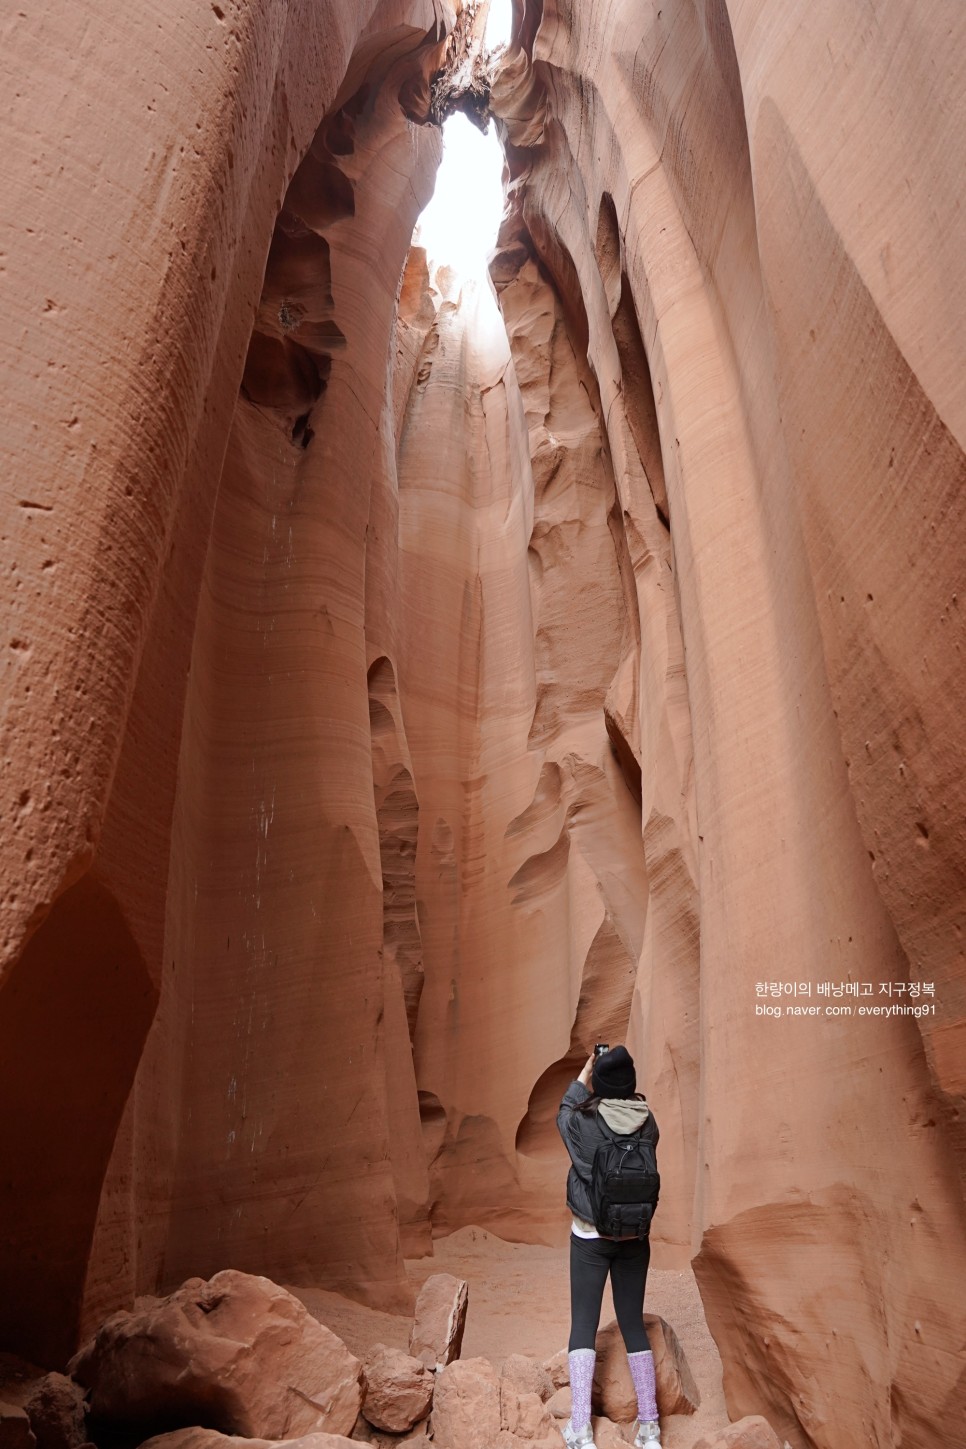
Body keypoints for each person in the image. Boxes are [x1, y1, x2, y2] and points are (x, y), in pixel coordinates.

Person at [556, 1045, 661, 1449]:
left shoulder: (582, 1122)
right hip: (635, 1236)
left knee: (584, 1324)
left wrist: (584, 1074)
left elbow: (563, 1112)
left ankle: (580, 1429)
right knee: (632, 1322)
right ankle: (649, 1428)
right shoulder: (649, 1122)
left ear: (598, 1082)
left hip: (590, 1236)